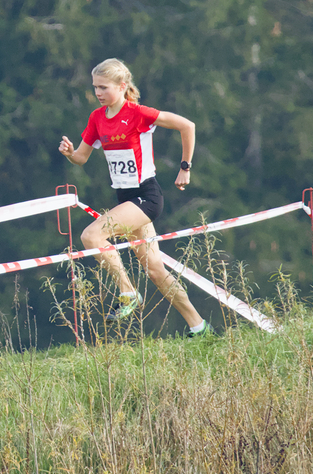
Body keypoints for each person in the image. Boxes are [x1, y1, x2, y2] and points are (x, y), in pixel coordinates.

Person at [58, 58, 208, 335]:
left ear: (122, 86)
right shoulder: (96, 118)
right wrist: (69, 153)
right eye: (95, 88)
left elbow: (187, 126)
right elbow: (81, 157)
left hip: (146, 197)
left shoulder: (138, 113)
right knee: (156, 271)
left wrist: (185, 168)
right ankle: (199, 327)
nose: (98, 93)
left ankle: (128, 293)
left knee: (92, 236)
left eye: (103, 87)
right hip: (125, 200)